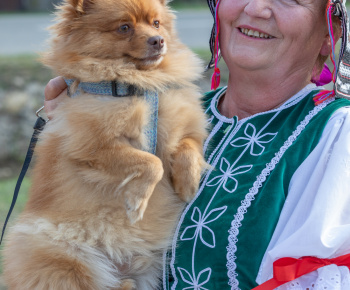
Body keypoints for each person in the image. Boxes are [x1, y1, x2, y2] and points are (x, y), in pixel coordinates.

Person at [44, 0, 350, 289]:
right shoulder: (173, 111)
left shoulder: (336, 134)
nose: (256, 8)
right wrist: (76, 134)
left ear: (330, 32)